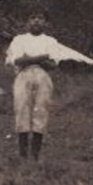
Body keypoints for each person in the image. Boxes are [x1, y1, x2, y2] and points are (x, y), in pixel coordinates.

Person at [6, 15, 60, 161]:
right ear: (27, 22)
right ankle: (23, 154)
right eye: (32, 18)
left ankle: (35, 155)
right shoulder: (19, 39)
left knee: (41, 112)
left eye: (40, 18)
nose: (36, 21)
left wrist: (29, 58)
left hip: (43, 77)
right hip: (23, 76)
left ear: (45, 22)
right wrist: (43, 57)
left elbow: (53, 65)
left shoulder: (50, 41)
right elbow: (17, 61)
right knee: (22, 110)